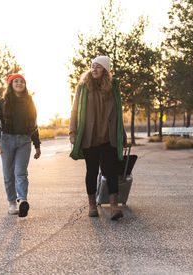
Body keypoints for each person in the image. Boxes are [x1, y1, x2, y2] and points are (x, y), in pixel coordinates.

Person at [69, 56, 126, 220]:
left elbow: (119, 113)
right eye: (92, 66)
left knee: (111, 172)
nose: (94, 69)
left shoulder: (113, 88)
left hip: (108, 137)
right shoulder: (83, 87)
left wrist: (123, 136)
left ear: (105, 70)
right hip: (90, 137)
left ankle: (114, 206)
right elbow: (74, 110)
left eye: (98, 67)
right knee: (91, 171)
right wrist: (72, 132)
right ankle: (92, 205)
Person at [0, 74, 41, 217]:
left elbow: (34, 125)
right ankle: (12, 203)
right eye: (16, 81)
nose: (19, 84)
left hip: (24, 141)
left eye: (22, 82)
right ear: (10, 84)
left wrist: (37, 145)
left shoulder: (29, 102)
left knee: (21, 172)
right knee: (8, 174)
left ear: (25, 85)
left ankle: (22, 200)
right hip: (6, 140)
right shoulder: (2, 103)